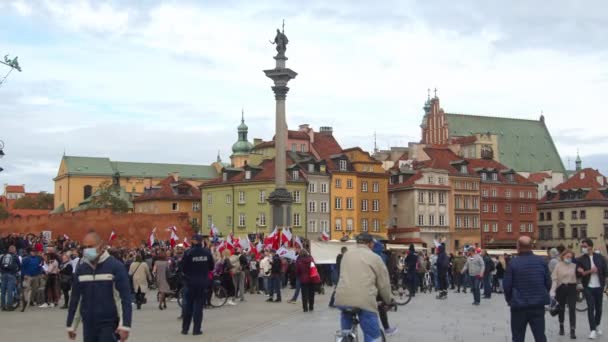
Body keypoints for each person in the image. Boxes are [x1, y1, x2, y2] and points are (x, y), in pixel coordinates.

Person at [66, 231, 132, 342]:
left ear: (101, 246)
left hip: (109, 324)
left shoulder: (115, 267)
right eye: (85, 247)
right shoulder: (82, 270)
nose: (87, 250)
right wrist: (71, 325)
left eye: (90, 246)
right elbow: (76, 299)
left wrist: (125, 325)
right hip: (88, 324)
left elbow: (124, 298)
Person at [335, 233, 392, 342]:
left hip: (342, 299)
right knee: (372, 335)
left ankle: (345, 336)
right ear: (370, 244)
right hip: (364, 300)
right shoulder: (375, 258)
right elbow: (384, 284)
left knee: (345, 332)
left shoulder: (346, 255)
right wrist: (388, 300)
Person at [503, 236, 551, 342]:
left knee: (518, 337)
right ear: (531, 247)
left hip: (518, 306)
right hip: (537, 305)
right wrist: (541, 294)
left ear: (518, 247)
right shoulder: (541, 262)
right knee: (540, 336)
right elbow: (548, 283)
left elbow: (507, 286)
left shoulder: (513, 263)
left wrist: (509, 300)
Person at [180, 234, 214, 336]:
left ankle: (185, 329)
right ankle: (196, 330)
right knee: (198, 307)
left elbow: (183, 268)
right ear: (201, 241)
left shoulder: (188, 252)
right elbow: (211, 267)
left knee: (187, 306)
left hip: (190, 282)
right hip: (202, 282)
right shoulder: (207, 253)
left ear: (193, 241)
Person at [576, 238, 607, 340]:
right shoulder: (580, 259)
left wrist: (605, 282)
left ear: (590, 246)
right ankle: (592, 330)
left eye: (584, 246)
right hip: (588, 287)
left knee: (599, 308)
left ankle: (597, 325)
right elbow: (578, 273)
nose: (583, 248)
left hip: (599, 287)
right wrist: (588, 271)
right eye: (582, 246)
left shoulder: (600, 258)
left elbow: (606, 271)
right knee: (590, 308)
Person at [550, 249, 577, 339]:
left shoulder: (574, 266)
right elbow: (554, 279)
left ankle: (572, 330)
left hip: (572, 287)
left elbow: (578, 278)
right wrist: (552, 291)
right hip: (561, 288)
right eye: (567, 256)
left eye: (570, 257)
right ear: (563, 256)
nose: (569, 258)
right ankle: (561, 326)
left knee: (572, 308)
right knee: (561, 308)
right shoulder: (558, 265)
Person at [21, 246, 43, 311]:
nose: (33, 253)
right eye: (32, 252)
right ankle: (25, 300)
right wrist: (24, 274)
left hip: (36, 276)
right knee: (26, 289)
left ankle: (31, 301)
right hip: (28, 276)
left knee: (35, 289)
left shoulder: (38, 258)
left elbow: (40, 266)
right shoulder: (26, 259)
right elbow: (22, 267)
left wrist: (40, 272)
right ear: (30, 252)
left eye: (34, 252)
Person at [0, 245, 20, 311]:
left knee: (3, 291)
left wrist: (2, 272)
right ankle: (9, 306)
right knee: (10, 291)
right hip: (11, 275)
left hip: (3, 275)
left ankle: (3, 306)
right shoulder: (15, 256)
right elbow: (19, 265)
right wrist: (16, 271)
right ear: (14, 250)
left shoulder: (3, 256)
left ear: (9, 250)